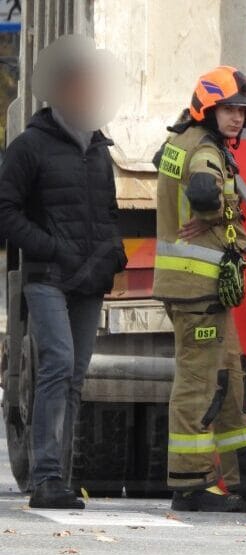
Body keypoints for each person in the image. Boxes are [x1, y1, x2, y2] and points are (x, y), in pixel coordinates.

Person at [0, 36, 127, 509]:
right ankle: (47, 477)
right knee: (56, 363)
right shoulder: (30, 146)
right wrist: (51, 248)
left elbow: (108, 211)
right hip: (47, 276)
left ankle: (59, 478)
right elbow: (5, 211)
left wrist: (115, 255)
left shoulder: (99, 149)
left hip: (90, 279)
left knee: (74, 373)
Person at [152, 67, 246, 512]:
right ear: (207, 108)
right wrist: (222, 213)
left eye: (243, 111)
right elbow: (203, 192)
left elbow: (166, 167)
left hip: (201, 291)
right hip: (196, 289)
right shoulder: (204, 148)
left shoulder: (180, 141)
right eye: (229, 109)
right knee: (199, 383)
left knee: (231, 378)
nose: (238, 118)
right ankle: (190, 484)